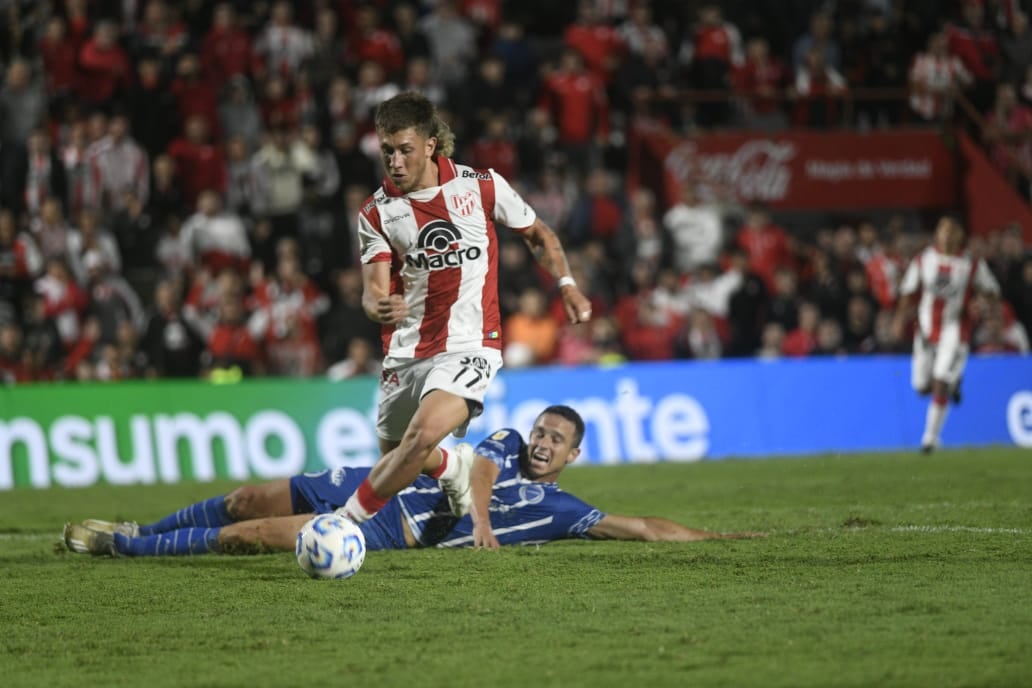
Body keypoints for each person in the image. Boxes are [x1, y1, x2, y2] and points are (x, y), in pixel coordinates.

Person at [336, 92, 592, 528]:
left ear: (431, 145)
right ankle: (450, 467)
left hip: (472, 342)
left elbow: (537, 233)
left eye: (405, 150)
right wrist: (378, 305)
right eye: (387, 151)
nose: (394, 161)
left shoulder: (481, 185)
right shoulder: (377, 213)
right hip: (408, 347)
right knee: (398, 457)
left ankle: (343, 522)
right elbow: (372, 290)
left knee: (417, 439)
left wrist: (566, 283)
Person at [63, 406, 759, 557]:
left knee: (252, 535)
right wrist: (481, 522)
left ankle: (118, 550)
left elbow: (640, 528)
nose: (542, 443)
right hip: (379, 478)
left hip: (392, 524)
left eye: (558, 441)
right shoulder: (505, 444)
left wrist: (720, 535)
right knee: (247, 497)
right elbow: (479, 467)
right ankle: (142, 528)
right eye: (543, 431)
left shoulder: (561, 506)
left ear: (573, 456)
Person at [894, 217, 1000, 453]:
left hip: (955, 328)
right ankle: (953, 383)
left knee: (940, 379)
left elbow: (992, 291)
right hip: (925, 329)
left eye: (953, 230)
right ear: (937, 234)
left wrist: (981, 302)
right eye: (944, 230)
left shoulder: (971, 264)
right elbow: (907, 291)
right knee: (922, 387)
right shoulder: (924, 260)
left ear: (961, 235)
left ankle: (930, 439)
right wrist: (899, 319)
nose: (948, 235)